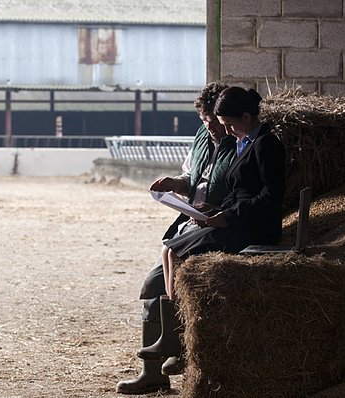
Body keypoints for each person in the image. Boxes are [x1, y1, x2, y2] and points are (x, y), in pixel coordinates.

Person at [136, 87, 286, 364]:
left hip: (253, 226)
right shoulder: (246, 142)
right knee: (169, 251)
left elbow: (270, 196)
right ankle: (172, 333)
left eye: (227, 124)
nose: (225, 131)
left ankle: (179, 335)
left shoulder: (267, 144)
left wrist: (229, 215)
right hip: (236, 217)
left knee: (178, 255)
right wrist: (215, 209)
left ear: (245, 116)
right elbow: (237, 191)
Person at [116, 81, 237, 394]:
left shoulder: (240, 144)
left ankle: (184, 350)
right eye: (204, 121)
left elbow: (242, 193)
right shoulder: (201, 138)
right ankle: (152, 371)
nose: (210, 127)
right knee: (152, 286)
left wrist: (216, 208)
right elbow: (192, 178)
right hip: (189, 222)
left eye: (214, 121)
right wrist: (175, 184)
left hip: (215, 225)